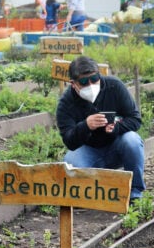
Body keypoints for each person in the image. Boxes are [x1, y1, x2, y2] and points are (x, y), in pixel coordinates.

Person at [55, 56, 145, 200]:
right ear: (73, 84)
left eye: (95, 78)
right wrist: (86, 126)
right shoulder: (66, 103)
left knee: (132, 140)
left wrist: (116, 127)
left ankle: (135, 192)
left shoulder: (114, 86)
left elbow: (135, 119)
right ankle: (91, 194)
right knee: (70, 162)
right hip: (89, 151)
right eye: (84, 82)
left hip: (117, 145)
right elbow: (69, 141)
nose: (90, 84)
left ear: (99, 74)